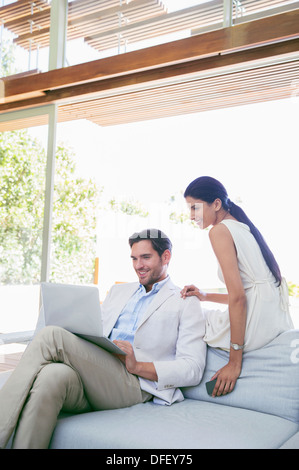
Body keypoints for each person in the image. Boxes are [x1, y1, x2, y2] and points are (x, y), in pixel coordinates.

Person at [0, 228, 206, 449]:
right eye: (134, 259)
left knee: (52, 336)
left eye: (146, 257)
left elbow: (192, 368)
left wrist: (138, 366)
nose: (138, 265)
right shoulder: (119, 292)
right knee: (52, 376)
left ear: (166, 256)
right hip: (98, 373)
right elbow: (97, 329)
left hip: (134, 383)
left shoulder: (185, 301)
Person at [181, 176, 293, 398]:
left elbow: (240, 298)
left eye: (195, 207)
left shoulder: (219, 231)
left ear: (216, 204)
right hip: (271, 320)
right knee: (197, 306)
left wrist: (234, 361)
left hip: (255, 326)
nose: (191, 215)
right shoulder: (243, 227)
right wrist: (204, 295)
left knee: (184, 313)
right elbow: (249, 292)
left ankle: (169, 380)